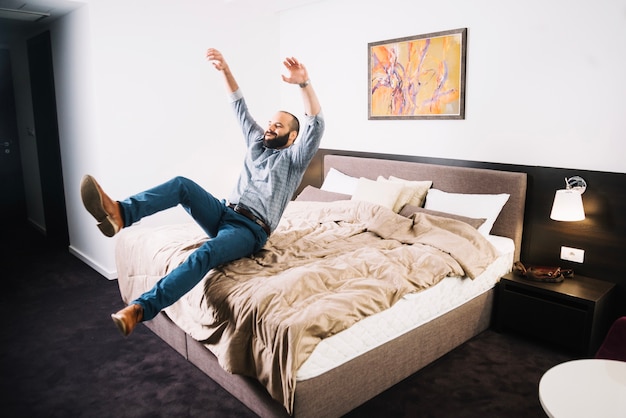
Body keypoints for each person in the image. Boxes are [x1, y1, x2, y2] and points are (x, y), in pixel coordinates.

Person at [80, 48, 324, 336]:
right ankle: (122, 213)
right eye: (270, 122)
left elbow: (315, 124)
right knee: (182, 184)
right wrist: (224, 70)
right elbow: (239, 106)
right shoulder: (258, 143)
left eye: (277, 125)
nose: (269, 128)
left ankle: (141, 309)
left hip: (249, 230)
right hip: (223, 211)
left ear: (292, 136)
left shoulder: (294, 160)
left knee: (204, 253)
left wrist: (303, 83)